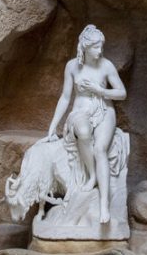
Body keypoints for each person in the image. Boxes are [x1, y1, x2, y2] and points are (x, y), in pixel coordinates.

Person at [46, 24, 126, 224]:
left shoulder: (106, 66)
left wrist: (99, 91)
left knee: (100, 149)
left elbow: (122, 93)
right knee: (82, 131)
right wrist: (52, 126)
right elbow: (65, 98)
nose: (100, 51)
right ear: (85, 47)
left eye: (101, 46)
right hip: (81, 110)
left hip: (104, 110)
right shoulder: (72, 66)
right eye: (96, 47)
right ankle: (93, 174)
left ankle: (104, 205)